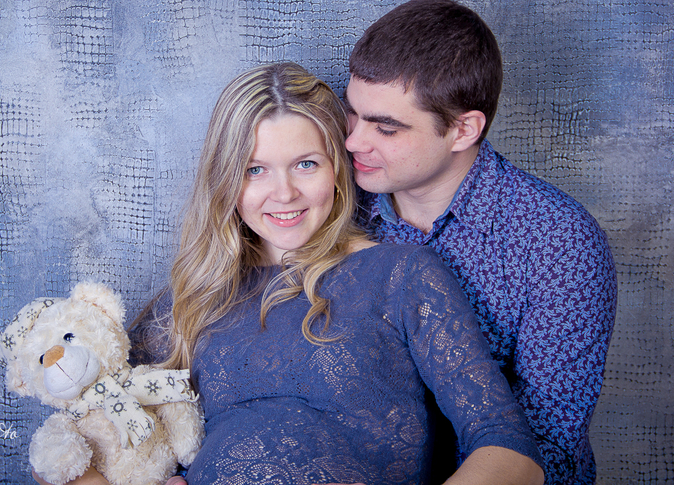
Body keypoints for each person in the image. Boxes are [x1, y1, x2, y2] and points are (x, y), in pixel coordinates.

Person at [128, 61, 544, 485]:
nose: (284, 193)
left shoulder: (400, 276)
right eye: (255, 170)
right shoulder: (192, 299)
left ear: (337, 169)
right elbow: (93, 427)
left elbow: (511, 450)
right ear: (226, 181)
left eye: (306, 164)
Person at [344, 0, 617, 485]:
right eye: (353, 114)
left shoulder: (559, 242)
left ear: (463, 130)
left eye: (385, 128)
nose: (352, 142)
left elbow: (548, 445)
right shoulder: (338, 206)